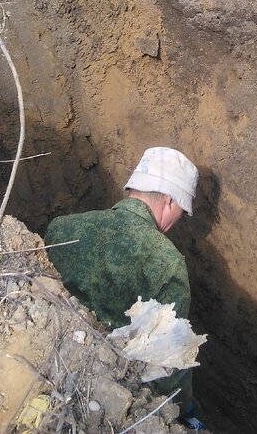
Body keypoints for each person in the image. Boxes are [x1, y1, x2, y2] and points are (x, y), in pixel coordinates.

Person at [46, 147, 205, 428]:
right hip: (113, 391)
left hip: (52, 360)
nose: (178, 219)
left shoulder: (63, 229)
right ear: (169, 201)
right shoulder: (167, 264)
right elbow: (168, 362)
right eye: (181, 210)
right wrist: (182, 407)